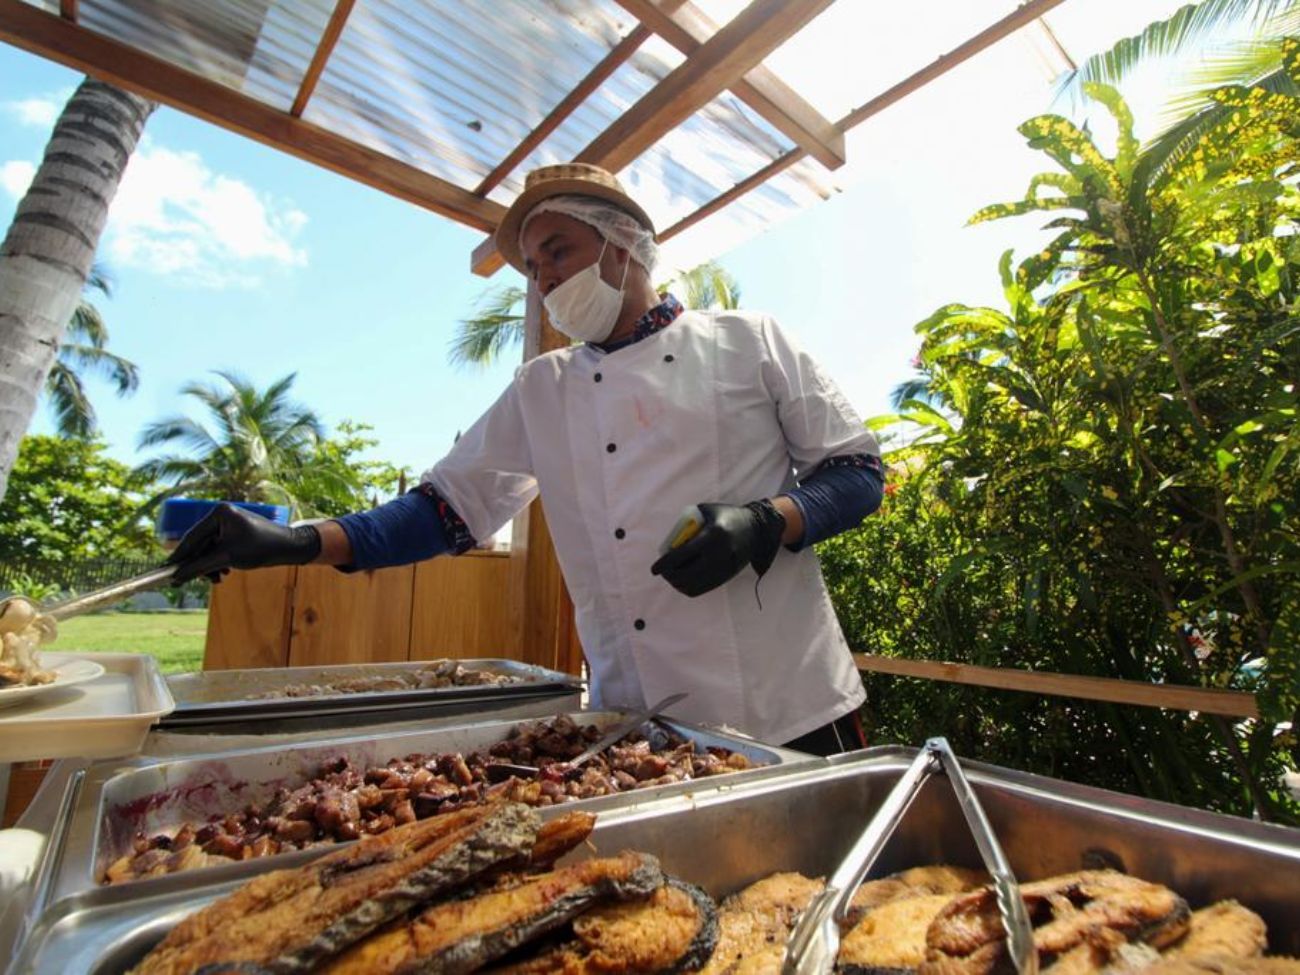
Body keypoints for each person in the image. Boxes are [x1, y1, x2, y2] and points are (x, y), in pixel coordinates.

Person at [169, 163, 884, 756]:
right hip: (640, 729)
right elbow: (444, 512)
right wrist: (296, 541)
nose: (543, 279)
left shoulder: (747, 341)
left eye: (559, 251)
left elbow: (857, 473)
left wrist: (765, 522)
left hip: (789, 711)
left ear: (624, 245)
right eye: (535, 266)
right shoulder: (542, 387)